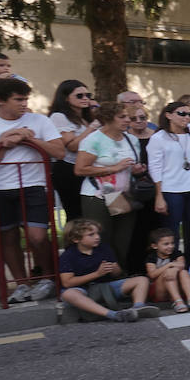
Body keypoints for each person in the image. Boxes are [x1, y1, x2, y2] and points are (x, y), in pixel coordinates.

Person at [0, 78, 67, 302]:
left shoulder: (40, 120)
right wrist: (3, 142)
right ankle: (22, 283)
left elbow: (59, 152)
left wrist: (31, 139)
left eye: (26, 99)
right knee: (8, 237)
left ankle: (47, 278)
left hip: (33, 185)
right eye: (18, 99)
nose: (24, 104)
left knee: (37, 235)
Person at [74, 102, 140, 263]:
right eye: (122, 117)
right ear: (108, 119)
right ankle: (100, 274)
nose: (127, 120)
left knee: (122, 239)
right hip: (98, 194)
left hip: (122, 194)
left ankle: (119, 274)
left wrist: (137, 169)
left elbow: (130, 165)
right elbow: (80, 169)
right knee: (100, 238)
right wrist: (114, 168)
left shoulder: (131, 139)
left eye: (128, 117)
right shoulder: (93, 140)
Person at [58, 218, 158, 321]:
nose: (97, 237)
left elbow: (117, 274)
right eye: (91, 235)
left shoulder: (104, 248)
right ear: (76, 239)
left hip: (105, 288)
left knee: (142, 280)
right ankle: (114, 315)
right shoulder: (68, 256)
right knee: (68, 294)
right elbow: (67, 283)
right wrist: (97, 274)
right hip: (81, 290)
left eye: (97, 233)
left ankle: (138, 307)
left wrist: (114, 269)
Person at [148, 100, 190, 259]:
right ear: (168, 115)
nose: (186, 117)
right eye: (182, 113)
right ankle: (173, 264)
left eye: (189, 114)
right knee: (171, 231)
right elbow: (155, 167)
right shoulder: (159, 138)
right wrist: (159, 196)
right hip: (170, 190)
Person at [48, 78, 99, 220]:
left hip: (89, 168)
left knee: (91, 213)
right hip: (68, 169)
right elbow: (72, 146)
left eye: (88, 95)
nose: (85, 99)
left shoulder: (87, 118)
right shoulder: (59, 117)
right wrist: (92, 128)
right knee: (76, 214)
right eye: (79, 96)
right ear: (66, 98)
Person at [144, 228, 190, 314]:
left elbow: (182, 265)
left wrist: (174, 269)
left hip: (177, 287)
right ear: (155, 246)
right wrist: (169, 265)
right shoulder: (151, 257)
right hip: (160, 292)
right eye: (166, 244)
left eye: (172, 243)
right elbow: (152, 275)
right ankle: (178, 302)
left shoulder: (176, 253)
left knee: (183, 272)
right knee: (168, 272)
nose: (171, 246)